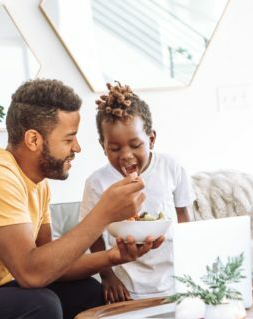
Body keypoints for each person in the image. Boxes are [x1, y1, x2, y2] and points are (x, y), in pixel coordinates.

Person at [0, 78, 164, 319]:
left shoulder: (38, 184)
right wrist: (103, 213)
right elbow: (31, 273)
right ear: (34, 140)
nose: (77, 148)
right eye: (69, 139)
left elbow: (51, 264)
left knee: (87, 292)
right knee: (40, 306)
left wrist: (113, 257)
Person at [80, 82, 194, 303]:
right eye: (114, 148)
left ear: (151, 139)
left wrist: (193, 266)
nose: (126, 155)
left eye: (135, 145)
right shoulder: (97, 183)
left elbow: (185, 216)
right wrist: (107, 276)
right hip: (128, 285)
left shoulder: (171, 166)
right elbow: (92, 236)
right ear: (103, 145)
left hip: (176, 280)